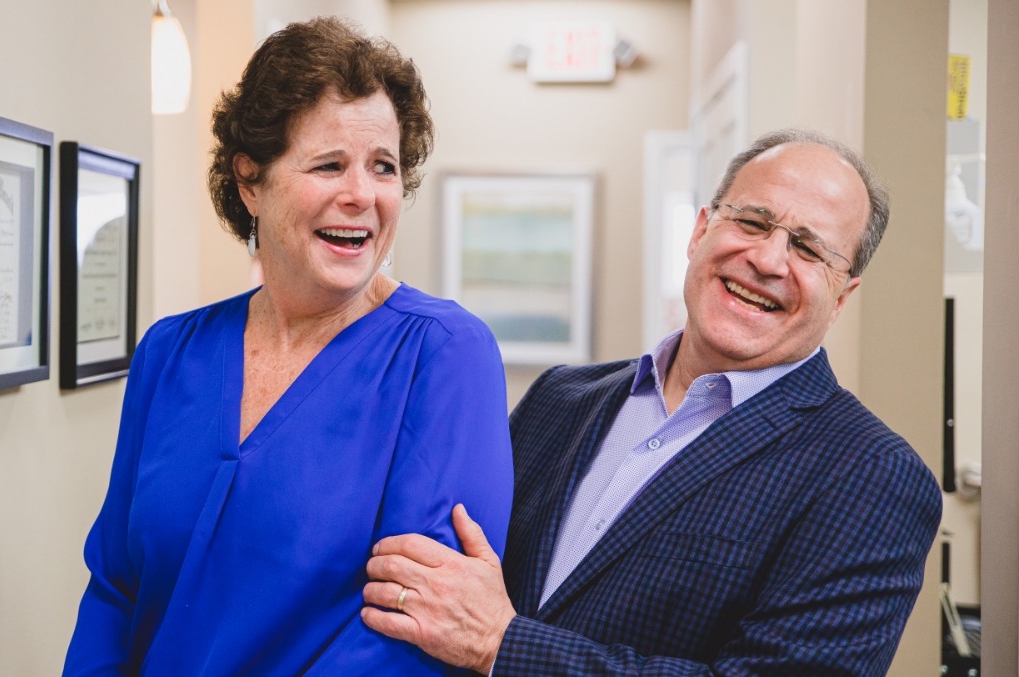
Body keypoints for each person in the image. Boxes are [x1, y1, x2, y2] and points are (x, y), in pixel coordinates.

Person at [361, 129, 943, 675]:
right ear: (700, 232)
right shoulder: (560, 399)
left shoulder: (873, 477)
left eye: (809, 250)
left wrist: (503, 645)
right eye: (753, 221)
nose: (768, 260)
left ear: (843, 295)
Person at [62, 17, 514, 676]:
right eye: (329, 164)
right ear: (251, 181)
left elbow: (414, 633)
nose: (361, 195)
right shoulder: (169, 352)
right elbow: (115, 588)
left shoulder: (443, 356)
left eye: (382, 167)